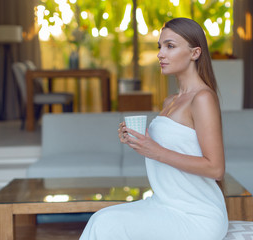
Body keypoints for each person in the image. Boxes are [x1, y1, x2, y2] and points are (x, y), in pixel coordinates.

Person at [80, 17, 228, 240]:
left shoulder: (203, 98)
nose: (160, 53)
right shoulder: (170, 101)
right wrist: (139, 141)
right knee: (100, 219)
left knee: (105, 226)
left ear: (195, 53)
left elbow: (215, 168)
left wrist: (154, 150)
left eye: (170, 46)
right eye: (160, 46)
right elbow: (171, 149)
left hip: (196, 215)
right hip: (164, 203)